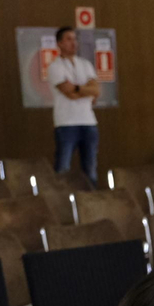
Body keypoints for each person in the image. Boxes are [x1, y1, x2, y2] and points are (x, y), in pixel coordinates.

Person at [50, 25, 100, 187]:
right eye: (68, 39)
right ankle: (62, 203)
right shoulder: (55, 67)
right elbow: (68, 92)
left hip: (89, 122)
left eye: (75, 39)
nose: (74, 43)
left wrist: (78, 88)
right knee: (63, 167)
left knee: (90, 169)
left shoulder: (85, 64)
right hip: (66, 124)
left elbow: (96, 90)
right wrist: (84, 91)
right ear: (59, 43)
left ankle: (92, 202)